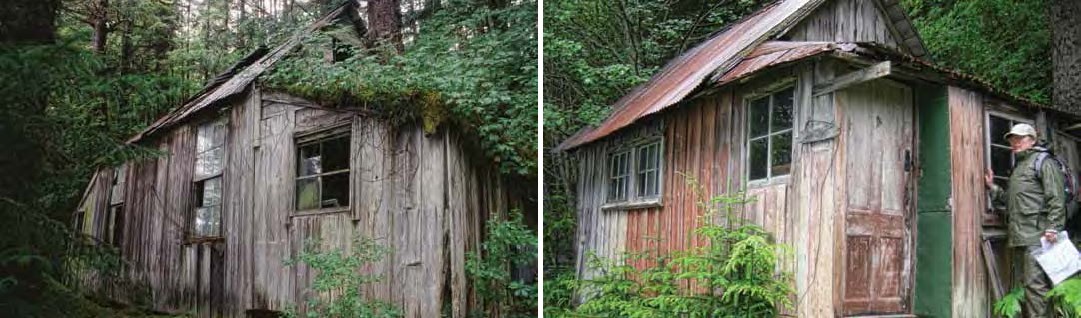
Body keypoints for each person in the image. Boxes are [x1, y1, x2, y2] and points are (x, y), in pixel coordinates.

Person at [985, 123, 1066, 318]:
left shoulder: (1043, 162)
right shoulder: (1019, 167)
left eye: (1019, 138)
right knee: (1029, 288)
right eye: (1012, 139)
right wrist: (992, 187)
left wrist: (1053, 227)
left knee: (1035, 288)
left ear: (1032, 140)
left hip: (1038, 237)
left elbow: (1056, 197)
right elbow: (1011, 201)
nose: (1014, 142)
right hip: (1020, 236)